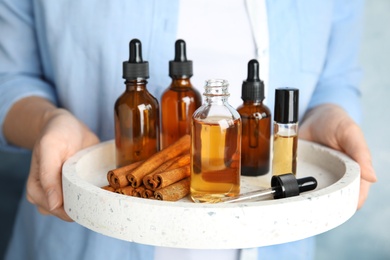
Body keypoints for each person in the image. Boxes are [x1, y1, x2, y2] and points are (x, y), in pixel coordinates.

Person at [0, 0, 376, 259]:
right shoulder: (191, 112)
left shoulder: (240, 116)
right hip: (84, 238)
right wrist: (46, 122)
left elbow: (337, 78)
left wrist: (331, 113)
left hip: (272, 237)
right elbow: (9, 77)